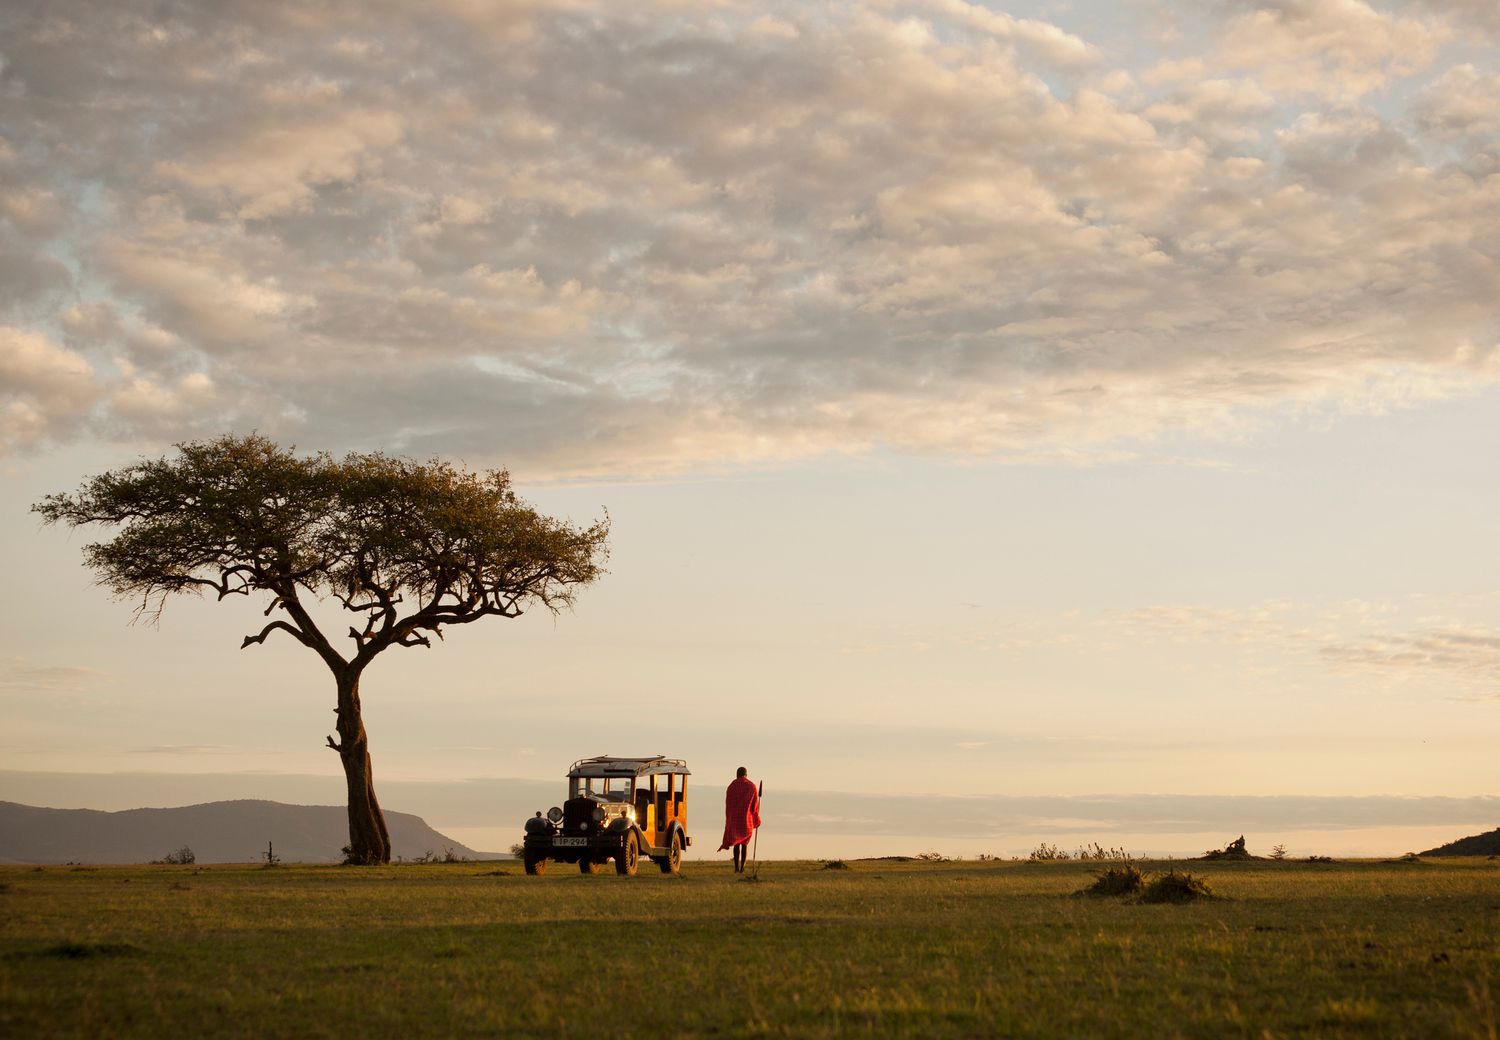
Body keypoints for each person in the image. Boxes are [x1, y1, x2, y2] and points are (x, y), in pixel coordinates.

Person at [718, 766, 761, 873]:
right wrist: (756, 818)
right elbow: (755, 806)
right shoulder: (752, 787)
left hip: (735, 820)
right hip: (747, 821)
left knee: (736, 843)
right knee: (744, 844)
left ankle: (736, 868)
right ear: (746, 774)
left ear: (737, 775)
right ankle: (742, 868)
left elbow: (728, 804)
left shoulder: (732, 786)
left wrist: (729, 819)